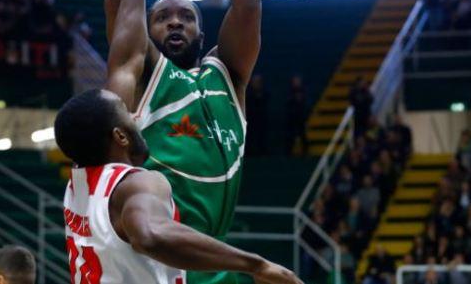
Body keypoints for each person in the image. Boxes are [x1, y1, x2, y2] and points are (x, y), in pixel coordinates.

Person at [103, 0, 261, 284]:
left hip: (217, 263)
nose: (175, 22)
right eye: (162, 17)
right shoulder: (146, 74)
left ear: (202, 33)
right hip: (157, 263)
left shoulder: (228, 75)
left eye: (186, 17)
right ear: (146, 30)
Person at [55, 89, 300, 284]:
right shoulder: (136, 183)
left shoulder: (76, 187)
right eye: (127, 113)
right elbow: (150, 236)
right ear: (120, 136)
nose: (136, 117)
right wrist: (256, 265)